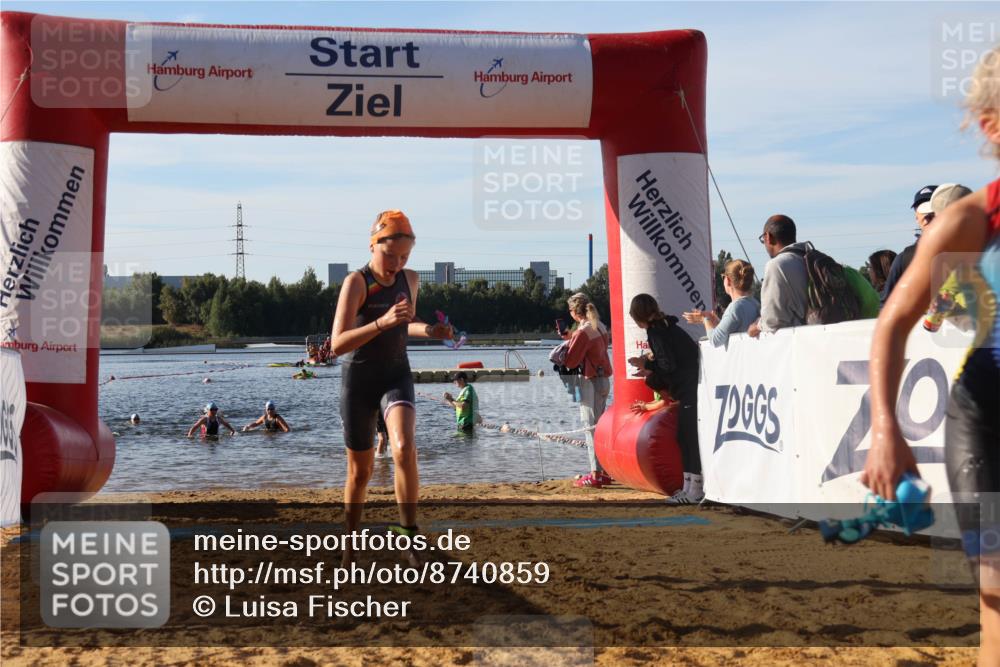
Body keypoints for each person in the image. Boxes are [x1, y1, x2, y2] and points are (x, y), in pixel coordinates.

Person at [862, 47, 1000, 666]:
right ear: (990, 124)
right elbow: (892, 326)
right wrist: (887, 429)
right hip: (988, 424)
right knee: (999, 595)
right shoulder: (969, 223)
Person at [331, 209, 452, 565]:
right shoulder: (357, 282)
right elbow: (337, 344)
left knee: (403, 448)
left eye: (405, 257)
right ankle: (350, 541)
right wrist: (381, 323)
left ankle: (408, 535)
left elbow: (406, 323)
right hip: (358, 381)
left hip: (396, 374)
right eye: (391, 256)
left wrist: (430, 331)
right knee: (361, 472)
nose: (397, 264)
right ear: (373, 245)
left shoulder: (410, 280)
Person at [628, 294, 702, 504]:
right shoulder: (665, 325)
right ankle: (688, 486)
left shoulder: (656, 331)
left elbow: (667, 364)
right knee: (683, 437)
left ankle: (695, 489)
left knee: (689, 439)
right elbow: (669, 358)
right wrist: (649, 363)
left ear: (637, 317)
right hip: (690, 385)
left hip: (689, 388)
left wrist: (648, 368)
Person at [562, 292, 612, 488]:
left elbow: (571, 361)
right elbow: (595, 348)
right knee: (600, 428)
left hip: (589, 381)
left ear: (575, 312)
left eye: (570, 310)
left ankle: (595, 474)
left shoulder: (583, 332)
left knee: (589, 428)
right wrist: (572, 337)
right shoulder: (600, 326)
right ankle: (606, 472)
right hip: (603, 380)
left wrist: (567, 344)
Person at [748, 215, 810, 337]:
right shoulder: (808, 258)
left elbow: (772, 319)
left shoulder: (776, 265)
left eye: (763, 240)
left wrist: (756, 327)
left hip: (801, 344)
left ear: (768, 237)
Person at [879, 184, 939, 306]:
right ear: (916, 217)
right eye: (924, 213)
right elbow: (887, 305)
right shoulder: (905, 258)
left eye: (933, 213)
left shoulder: (972, 251)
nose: (928, 218)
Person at [683, 259, 760, 347]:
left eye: (723, 277)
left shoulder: (734, 308)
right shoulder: (755, 303)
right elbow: (736, 328)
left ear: (728, 280)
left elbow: (715, 340)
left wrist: (705, 319)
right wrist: (716, 322)